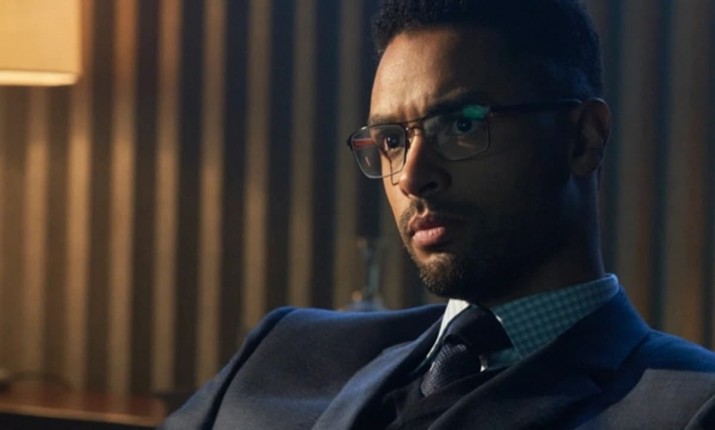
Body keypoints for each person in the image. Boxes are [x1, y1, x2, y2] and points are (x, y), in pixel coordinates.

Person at [160, 0, 715, 428]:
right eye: (392, 140)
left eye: (463, 125)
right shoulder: (286, 350)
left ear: (582, 139)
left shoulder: (689, 406)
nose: (410, 176)